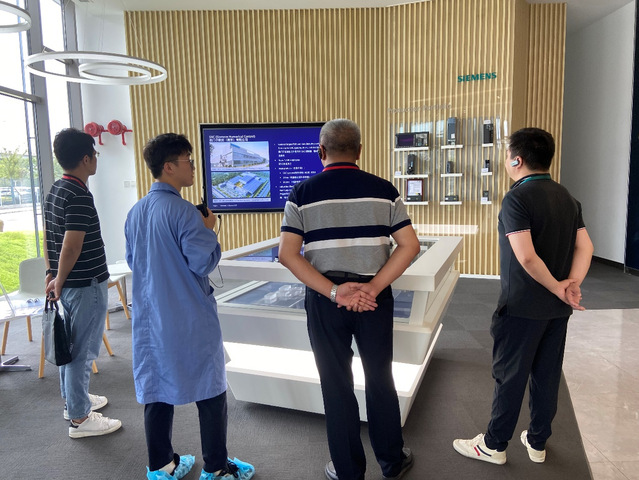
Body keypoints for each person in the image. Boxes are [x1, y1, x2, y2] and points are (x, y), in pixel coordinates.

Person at [279, 118, 420, 480]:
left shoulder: (301, 193)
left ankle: (348, 470)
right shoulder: (384, 190)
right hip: (374, 299)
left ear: (321, 151)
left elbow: (288, 254)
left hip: (326, 301)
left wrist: (333, 291)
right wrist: (372, 288)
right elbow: (409, 245)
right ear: (359, 151)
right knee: (380, 378)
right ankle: (391, 461)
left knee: (336, 383)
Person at [453, 127, 594, 465]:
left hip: (521, 307)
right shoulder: (567, 198)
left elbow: (527, 257)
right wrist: (570, 284)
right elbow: (586, 246)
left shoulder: (517, 198)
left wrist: (557, 286)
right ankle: (537, 441)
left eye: (507, 156)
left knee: (510, 376)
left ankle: (494, 445)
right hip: (557, 309)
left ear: (516, 160)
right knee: (547, 376)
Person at [124, 133, 255, 480]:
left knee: (156, 390)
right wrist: (209, 229)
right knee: (210, 390)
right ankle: (216, 468)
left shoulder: (135, 211)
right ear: (169, 167)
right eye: (189, 161)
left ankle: (162, 465)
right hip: (189, 316)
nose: (194, 167)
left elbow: (134, 261)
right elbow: (203, 262)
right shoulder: (184, 212)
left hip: (150, 318)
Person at [43, 128, 122, 438]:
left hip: (68, 284)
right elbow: (71, 246)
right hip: (85, 284)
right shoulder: (78, 195)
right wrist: (59, 279)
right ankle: (80, 418)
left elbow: (49, 237)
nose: (96, 160)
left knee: (71, 346)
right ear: (86, 159)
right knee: (82, 352)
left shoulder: (57, 189)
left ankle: (73, 401)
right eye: (95, 154)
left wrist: (51, 275)